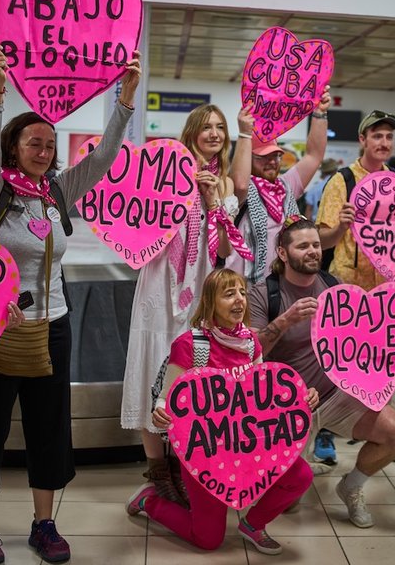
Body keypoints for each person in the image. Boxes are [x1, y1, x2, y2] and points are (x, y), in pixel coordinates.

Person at [0, 44, 139, 564]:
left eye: (49, 144)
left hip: (52, 324)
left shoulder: (57, 191)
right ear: (14, 147)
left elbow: (103, 157)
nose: (43, 150)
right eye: (33, 142)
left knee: (49, 429)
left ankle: (44, 522)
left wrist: (123, 99)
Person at [126, 268, 316, 555]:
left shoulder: (251, 343)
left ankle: (253, 525)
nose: (239, 299)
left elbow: (264, 396)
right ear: (211, 302)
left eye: (241, 292)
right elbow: (165, 401)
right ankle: (149, 501)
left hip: (248, 444)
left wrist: (302, 398)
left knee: (301, 475)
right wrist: (160, 414)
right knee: (208, 540)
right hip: (205, 453)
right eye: (229, 294)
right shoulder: (190, 345)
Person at [250, 217, 395, 528]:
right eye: (303, 246)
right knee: (287, 505)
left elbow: (368, 338)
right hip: (287, 407)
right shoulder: (264, 294)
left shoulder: (336, 288)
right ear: (283, 253)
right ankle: (300, 461)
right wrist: (284, 321)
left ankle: (351, 485)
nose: (313, 251)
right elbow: (250, 353)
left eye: (316, 244)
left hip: (337, 396)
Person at [121, 102, 250, 508]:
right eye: (206, 126)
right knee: (153, 364)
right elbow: (134, 221)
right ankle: (158, 471)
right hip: (160, 280)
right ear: (192, 130)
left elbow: (226, 250)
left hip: (200, 283)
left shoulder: (224, 186)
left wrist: (211, 200)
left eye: (220, 128)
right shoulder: (164, 171)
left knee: (191, 373)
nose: (213, 133)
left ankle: (183, 467)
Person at [226, 88, 331, 284]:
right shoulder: (236, 188)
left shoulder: (285, 186)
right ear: (248, 157)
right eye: (263, 157)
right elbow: (240, 182)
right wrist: (244, 134)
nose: (273, 162)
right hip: (243, 289)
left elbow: (313, 156)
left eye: (276, 155)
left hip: (281, 289)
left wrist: (319, 113)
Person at [317, 110, 395, 290]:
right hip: (346, 289)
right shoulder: (342, 181)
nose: (384, 143)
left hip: (387, 288)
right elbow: (322, 241)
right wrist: (341, 227)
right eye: (377, 136)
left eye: (389, 137)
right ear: (363, 140)